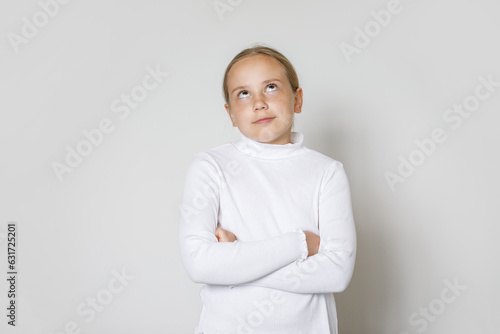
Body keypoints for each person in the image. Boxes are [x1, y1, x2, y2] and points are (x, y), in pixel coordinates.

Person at [178, 44, 357, 334]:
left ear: (297, 99)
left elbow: (336, 273)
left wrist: (235, 261)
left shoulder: (327, 172)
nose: (259, 102)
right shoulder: (210, 167)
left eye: (271, 87)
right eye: (243, 93)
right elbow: (200, 265)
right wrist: (301, 243)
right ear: (231, 113)